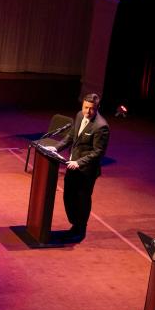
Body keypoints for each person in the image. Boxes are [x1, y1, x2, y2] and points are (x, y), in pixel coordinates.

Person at [47, 93, 109, 240]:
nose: (87, 112)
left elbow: (98, 152)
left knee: (82, 199)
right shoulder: (80, 115)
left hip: (86, 171)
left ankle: (80, 230)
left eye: (91, 109)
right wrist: (56, 148)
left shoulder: (101, 127)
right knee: (68, 196)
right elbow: (71, 136)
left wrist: (79, 162)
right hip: (71, 165)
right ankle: (75, 224)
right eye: (85, 108)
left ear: (97, 108)